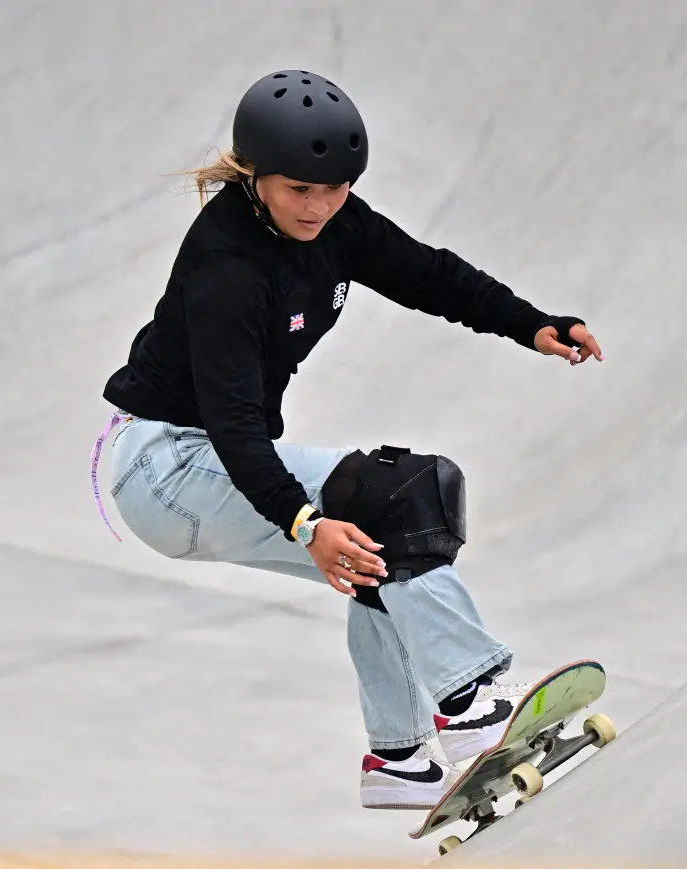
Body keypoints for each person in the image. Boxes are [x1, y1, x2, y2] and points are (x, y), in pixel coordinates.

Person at [91, 70, 603, 810]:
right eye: (301, 190)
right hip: (171, 470)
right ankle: (470, 702)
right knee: (396, 493)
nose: (321, 206)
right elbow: (235, 425)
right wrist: (304, 522)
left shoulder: (339, 222)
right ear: (255, 175)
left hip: (209, 462)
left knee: (379, 544)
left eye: (336, 188)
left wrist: (531, 323)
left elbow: (431, 275)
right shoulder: (226, 266)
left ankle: (398, 759)